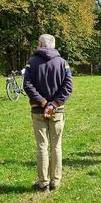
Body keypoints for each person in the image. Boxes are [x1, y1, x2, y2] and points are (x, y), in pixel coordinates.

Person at [23, 34, 73, 193]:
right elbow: (68, 86)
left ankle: (43, 183)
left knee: (42, 147)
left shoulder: (31, 62)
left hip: (39, 110)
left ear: (39, 44)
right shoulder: (63, 62)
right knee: (56, 146)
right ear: (53, 45)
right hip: (56, 111)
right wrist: (54, 104)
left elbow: (27, 85)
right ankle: (55, 182)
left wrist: (45, 104)